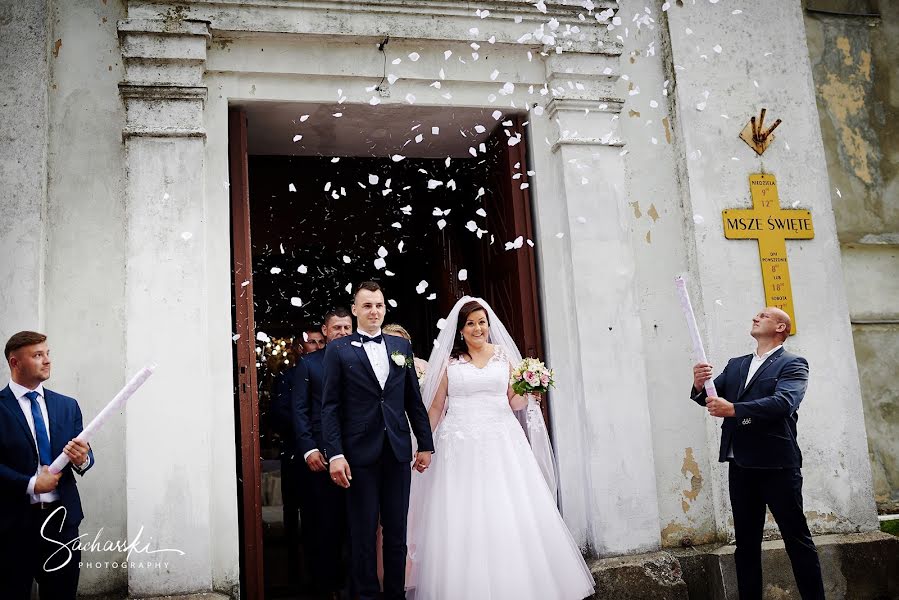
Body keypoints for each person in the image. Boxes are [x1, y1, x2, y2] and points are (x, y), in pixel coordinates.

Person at [406, 298, 595, 600]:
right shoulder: (449, 363)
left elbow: (513, 401)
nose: (478, 328)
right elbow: (438, 407)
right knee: (462, 513)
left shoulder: (503, 355)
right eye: (471, 323)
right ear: (460, 330)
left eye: (482, 322)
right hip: (460, 444)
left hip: (502, 441)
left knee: (508, 506)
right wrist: (422, 444)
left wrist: (529, 391)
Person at [691, 307, 825, 600]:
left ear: (781, 328)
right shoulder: (736, 365)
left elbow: (783, 403)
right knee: (746, 545)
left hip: (778, 464)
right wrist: (700, 385)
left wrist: (735, 410)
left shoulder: (793, 364)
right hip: (741, 463)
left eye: (764, 315)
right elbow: (712, 399)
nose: (755, 317)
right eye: (756, 314)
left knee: (797, 540)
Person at [321, 282, 434, 600]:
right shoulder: (338, 350)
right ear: (355, 309)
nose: (374, 311)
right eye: (367, 305)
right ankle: (366, 595)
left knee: (397, 533)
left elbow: (412, 398)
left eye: (379, 305)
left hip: (397, 451)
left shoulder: (401, 349)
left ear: (385, 309)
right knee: (363, 532)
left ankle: (395, 595)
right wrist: (336, 454)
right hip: (358, 453)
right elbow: (329, 407)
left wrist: (424, 443)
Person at [0, 331, 95, 599]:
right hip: (12, 527)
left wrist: (83, 458)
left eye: (48, 354)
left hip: (62, 523)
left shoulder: (67, 406)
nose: (47, 361)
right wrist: (30, 484)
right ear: (15, 362)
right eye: (37, 355)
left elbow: (86, 455)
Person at [291, 308, 353, 599]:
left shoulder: (359, 360)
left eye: (347, 327)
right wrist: (308, 448)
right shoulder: (308, 364)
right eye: (337, 328)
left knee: (356, 526)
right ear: (325, 331)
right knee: (325, 527)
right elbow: (300, 410)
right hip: (321, 457)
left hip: (357, 455)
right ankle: (324, 587)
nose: (342, 332)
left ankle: (352, 586)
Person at [271, 321, 326, 591]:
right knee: (293, 515)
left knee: (321, 520)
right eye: (310, 342)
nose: (315, 347)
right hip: (295, 454)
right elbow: (280, 415)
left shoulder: (329, 371)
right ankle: (293, 573)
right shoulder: (287, 378)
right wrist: (307, 434)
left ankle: (322, 577)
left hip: (325, 457)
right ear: (299, 347)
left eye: (319, 342)